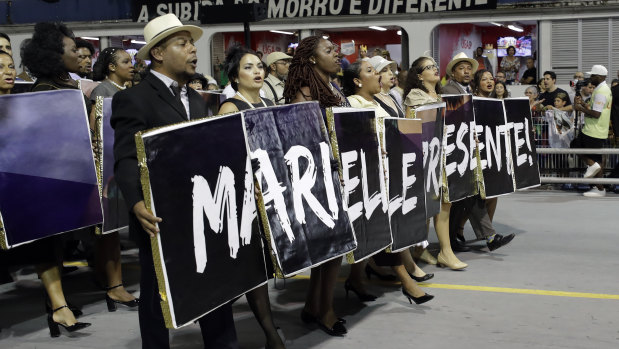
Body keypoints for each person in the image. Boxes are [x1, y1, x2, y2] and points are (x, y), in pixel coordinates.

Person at [111, 14, 238, 348]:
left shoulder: (196, 99)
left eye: (191, 43)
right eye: (182, 44)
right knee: (158, 295)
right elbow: (126, 156)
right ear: (158, 53)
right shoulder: (135, 98)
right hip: (160, 218)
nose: (193, 49)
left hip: (202, 211)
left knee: (215, 285)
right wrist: (138, 203)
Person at [341, 60, 434, 305]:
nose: (379, 75)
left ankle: (356, 279)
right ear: (357, 81)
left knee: (373, 231)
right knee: (383, 230)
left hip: (391, 173)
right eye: (370, 71)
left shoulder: (379, 101)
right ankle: (408, 283)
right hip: (371, 176)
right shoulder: (352, 104)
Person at [21, 22, 92, 337]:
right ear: (53, 56)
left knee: (58, 243)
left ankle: (57, 303)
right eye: (72, 49)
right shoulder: (44, 91)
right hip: (45, 179)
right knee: (48, 244)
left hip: (66, 176)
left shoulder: (66, 84)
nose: (78, 53)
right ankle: (58, 307)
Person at [217, 45, 285, 349]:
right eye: (248, 67)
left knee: (261, 265)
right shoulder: (230, 108)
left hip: (271, 195)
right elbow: (223, 160)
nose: (258, 71)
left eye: (260, 66)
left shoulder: (268, 102)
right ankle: (270, 333)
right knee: (253, 267)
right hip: (245, 200)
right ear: (234, 76)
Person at [283, 35, 349, 337]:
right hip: (319, 177)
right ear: (311, 59)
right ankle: (325, 310)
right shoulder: (305, 93)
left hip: (340, 172)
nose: (336, 55)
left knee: (334, 247)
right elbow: (305, 140)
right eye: (328, 51)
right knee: (330, 246)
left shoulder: (331, 87)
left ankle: (313, 305)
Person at [403, 55, 468, 270]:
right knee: (430, 204)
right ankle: (440, 251)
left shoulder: (438, 94)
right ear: (420, 75)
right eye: (429, 67)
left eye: (435, 66)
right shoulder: (415, 96)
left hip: (445, 153)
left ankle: (432, 251)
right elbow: (416, 125)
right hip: (427, 156)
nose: (435, 69)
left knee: (442, 202)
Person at [88, 46, 140, 311]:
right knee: (109, 229)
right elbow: (97, 132)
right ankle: (113, 285)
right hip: (110, 168)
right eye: (125, 61)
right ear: (111, 67)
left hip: (127, 164)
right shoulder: (102, 93)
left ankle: (112, 280)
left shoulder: (128, 91)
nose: (131, 65)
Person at [449, 68, 516, 252]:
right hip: (474, 155)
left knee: (490, 196)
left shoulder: (496, 102)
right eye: (484, 79)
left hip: (492, 154)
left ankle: (479, 232)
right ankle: (487, 235)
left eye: (490, 79)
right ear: (476, 84)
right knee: (474, 196)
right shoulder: (471, 100)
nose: (489, 82)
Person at [573, 65, 612, 197]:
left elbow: (595, 114)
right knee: (596, 158)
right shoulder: (602, 89)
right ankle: (599, 187)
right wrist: (584, 105)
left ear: (599, 77)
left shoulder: (601, 91)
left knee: (576, 147)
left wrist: (580, 108)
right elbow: (597, 109)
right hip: (596, 129)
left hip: (593, 129)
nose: (590, 78)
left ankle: (599, 186)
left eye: (592, 76)